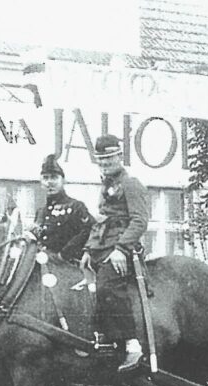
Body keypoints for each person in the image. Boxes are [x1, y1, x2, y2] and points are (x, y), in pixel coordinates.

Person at [81, 134, 149, 373]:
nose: (105, 163)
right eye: (101, 159)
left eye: (109, 158)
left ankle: (132, 345)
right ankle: (102, 337)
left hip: (122, 248)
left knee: (107, 286)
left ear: (120, 156)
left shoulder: (131, 184)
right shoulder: (106, 185)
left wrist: (122, 249)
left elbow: (140, 221)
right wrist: (89, 250)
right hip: (102, 247)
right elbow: (101, 223)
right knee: (83, 288)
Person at [31, 154, 95, 263]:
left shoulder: (76, 206)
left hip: (68, 266)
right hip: (44, 265)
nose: (49, 182)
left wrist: (64, 255)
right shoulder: (41, 212)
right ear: (41, 183)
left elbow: (89, 230)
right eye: (45, 178)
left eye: (54, 177)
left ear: (63, 181)